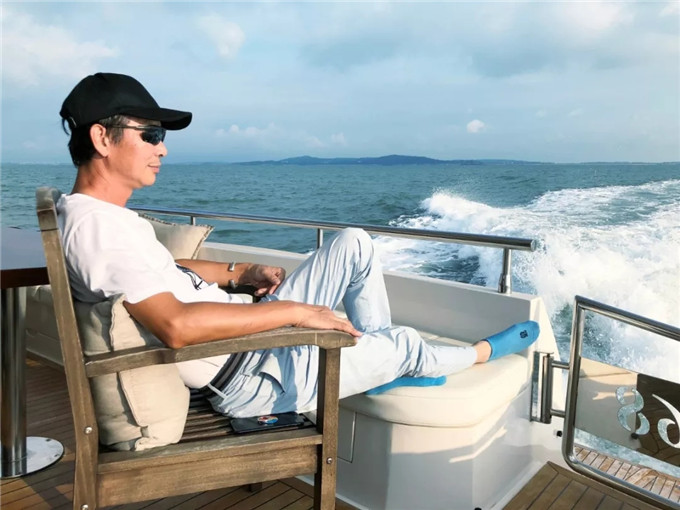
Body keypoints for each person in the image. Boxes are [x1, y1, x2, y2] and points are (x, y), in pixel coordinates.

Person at [57, 72, 539, 418]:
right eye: (151, 134)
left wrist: (239, 272)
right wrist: (294, 312)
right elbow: (177, 326)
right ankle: (476, 353)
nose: (162, 148)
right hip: (251, 377)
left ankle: (375, 359)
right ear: (102, 138)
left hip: (253, 346)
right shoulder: (97, 230)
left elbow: (164, 268)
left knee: (353, 243)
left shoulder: (103, 219)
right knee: (406, 342)